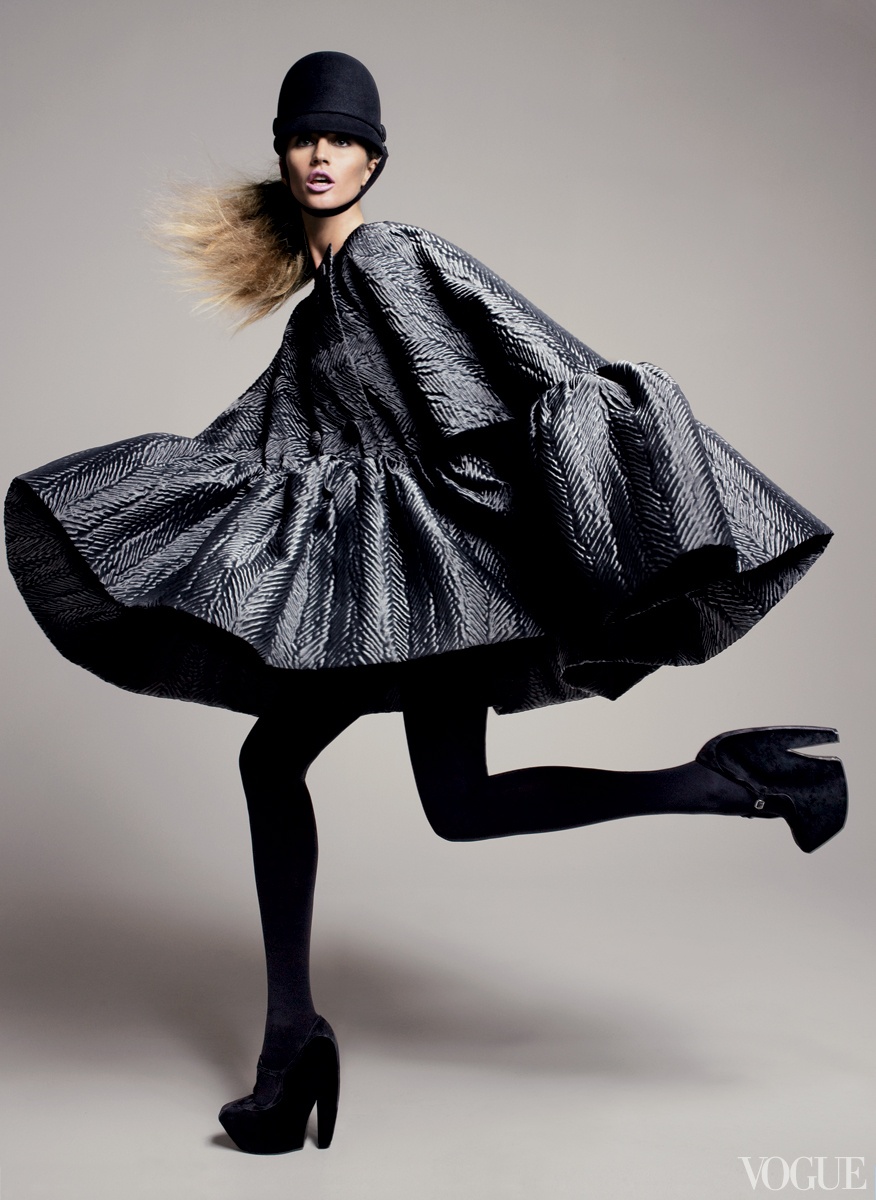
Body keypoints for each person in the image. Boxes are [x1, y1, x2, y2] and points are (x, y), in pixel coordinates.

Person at [4, 51, 847, 1155]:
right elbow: (272, 452)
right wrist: (163, 510)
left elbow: (521, 373)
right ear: (282, 153)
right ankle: (740, 780)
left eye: (344, 139)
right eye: (305, 136)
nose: (322, 154)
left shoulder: (390, 257)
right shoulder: (319, 311)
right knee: (454, 802)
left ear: (374, 160)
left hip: (436, 583)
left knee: (285, 766)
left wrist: (549, 531)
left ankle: (290, 1046)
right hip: (406, 589)